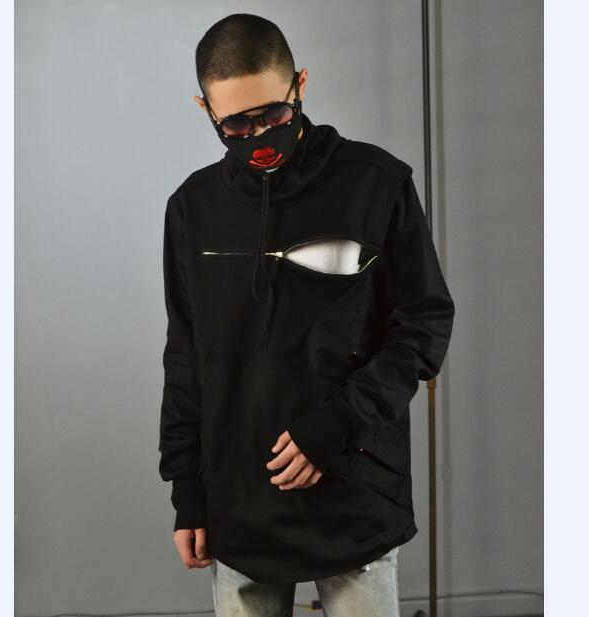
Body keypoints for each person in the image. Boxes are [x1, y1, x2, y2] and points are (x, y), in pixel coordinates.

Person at [158, 12, 455, 617]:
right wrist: (187, 490)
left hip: (355, 493)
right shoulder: (192, 209)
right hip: (239, 502)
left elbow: (422, 325)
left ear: (301, 84)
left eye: (273, 114)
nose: (258, 136)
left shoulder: (376, 184)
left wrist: (337, 424)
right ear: (205, 110)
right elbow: (186, 356)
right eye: (235, 124)